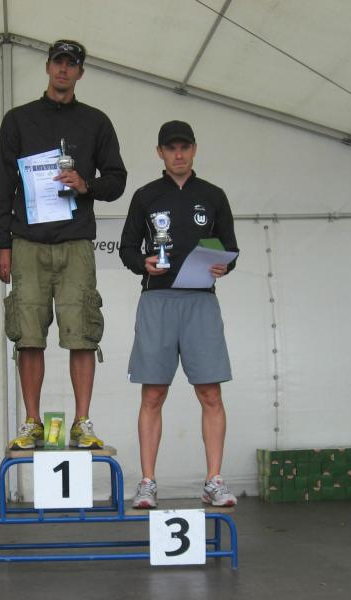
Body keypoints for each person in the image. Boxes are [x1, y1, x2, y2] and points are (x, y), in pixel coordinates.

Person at [0, 40, 127, 450]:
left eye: (71, 64)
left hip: (75, 241)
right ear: (47, 67)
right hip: (27, 242)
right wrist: (2, 243)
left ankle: (82, 422)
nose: (64, 70)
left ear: (80, 72)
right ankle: (32, 423)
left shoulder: (96, 121)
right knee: (28, 336)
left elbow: (117, 180)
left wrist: (86, 185)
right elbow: (3, 185)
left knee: (82, 333)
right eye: (58, 62)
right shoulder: (18, 120)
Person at [119, 121, 239, 509]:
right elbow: (126, 248)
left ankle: (214, 480)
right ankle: (148, 482)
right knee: (153, 392)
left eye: (184, 147)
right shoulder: (146, 196)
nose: (179, 154)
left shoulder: (214, 195)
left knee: (210, 392)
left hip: (201, 301)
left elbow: (231, 248)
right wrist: (143, 262)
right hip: (157, 299)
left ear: (194, 149)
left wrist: (224, 265)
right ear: (160, 152)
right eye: (171, 148)